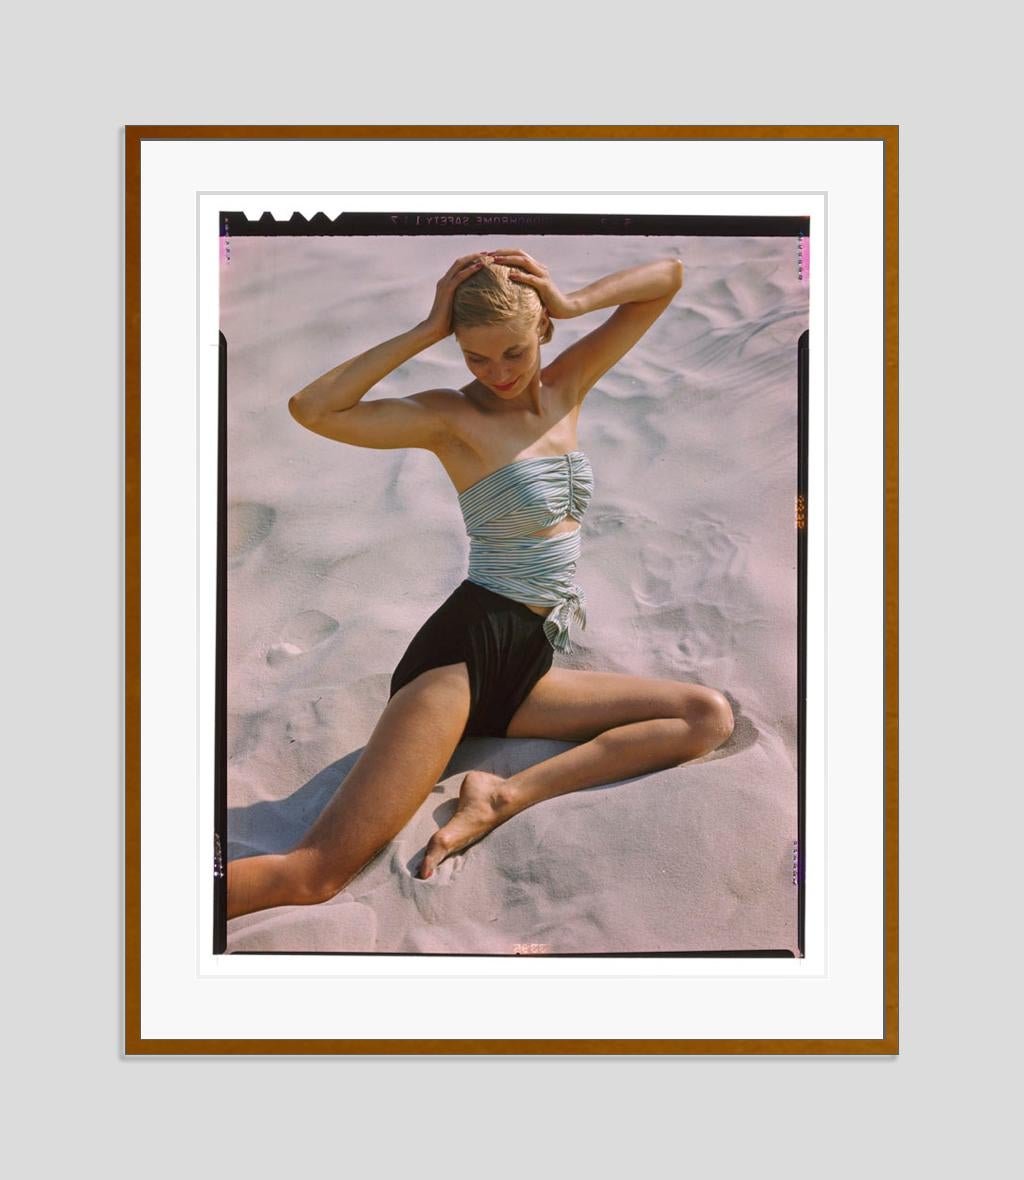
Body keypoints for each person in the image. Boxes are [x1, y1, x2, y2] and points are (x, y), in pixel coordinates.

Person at [226, 248, 734, 920]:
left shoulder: (567, 387)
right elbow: (312, 408)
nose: (496, 374)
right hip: (459, 660)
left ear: (543, 331)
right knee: (314, 875)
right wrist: (427, 330)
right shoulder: (450, 417)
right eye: (475, 357)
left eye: (513, 354)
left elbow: (668, 275)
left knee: (706, 716)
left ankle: (503, 795)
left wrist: (574, 299)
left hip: (528, 661)